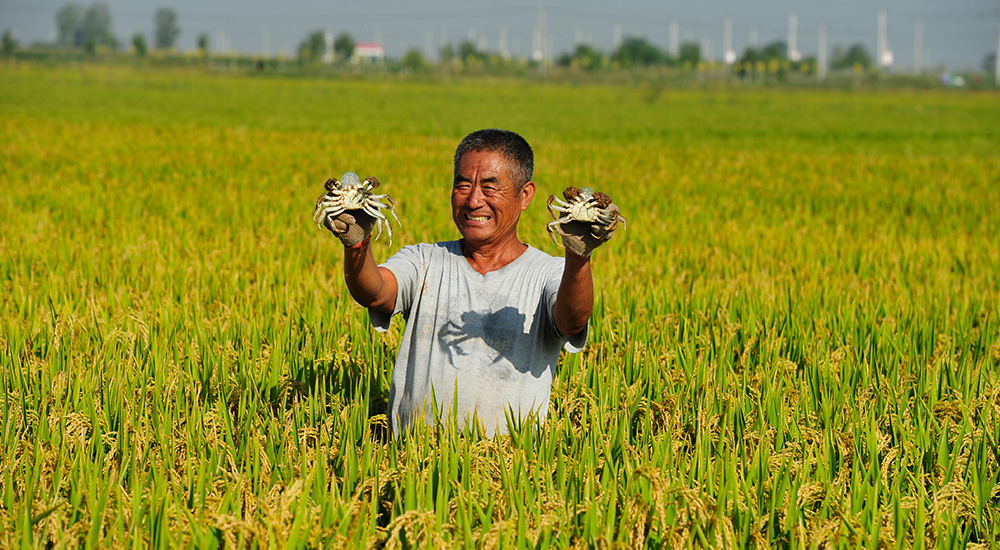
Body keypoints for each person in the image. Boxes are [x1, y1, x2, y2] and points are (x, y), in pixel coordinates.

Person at [319, 129, 621, 436]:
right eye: (463, 185)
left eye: (490, 187)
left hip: (509, 459)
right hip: (417, 456)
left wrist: (578, 257)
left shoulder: (549, 273)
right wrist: (357, 245)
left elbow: (571, 320)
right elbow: (376, 293)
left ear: (525, 195)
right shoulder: (424, 260)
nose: (474, 200)